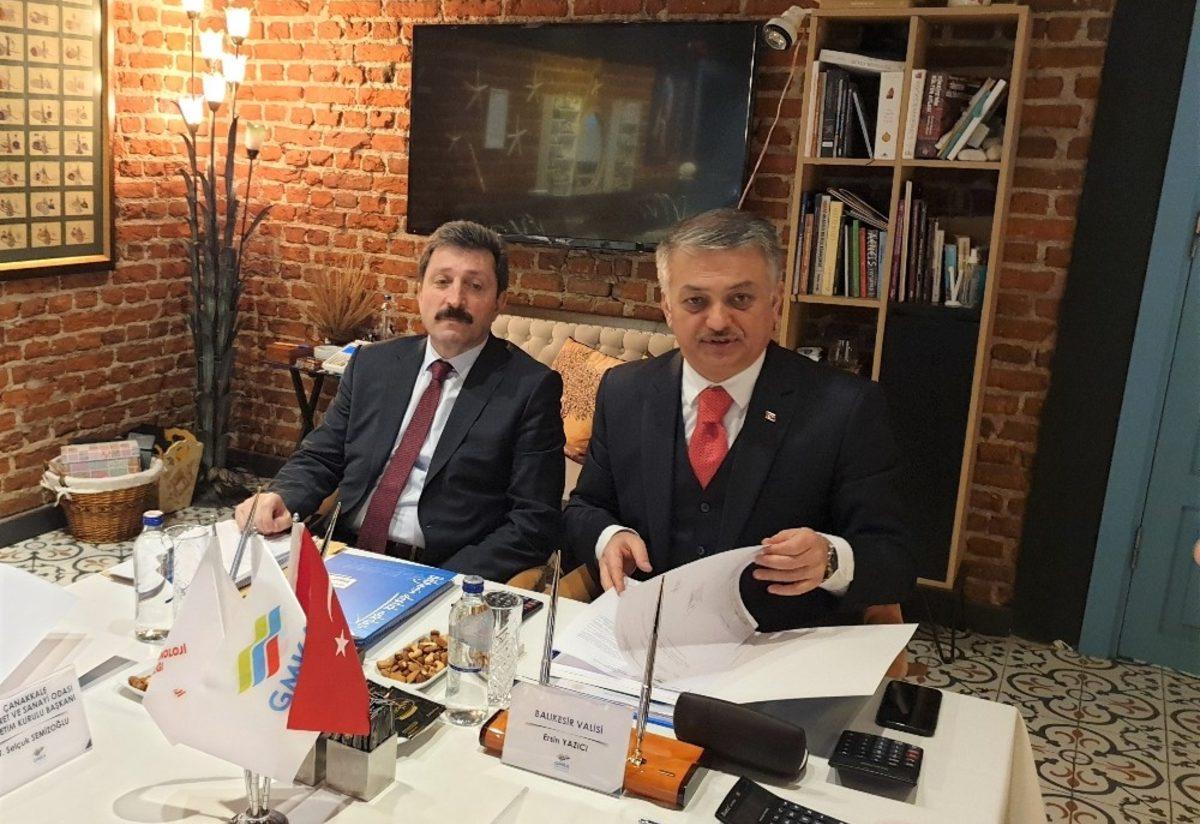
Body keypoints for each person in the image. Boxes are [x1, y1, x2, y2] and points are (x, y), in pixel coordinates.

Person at [563, 208, 915, 630]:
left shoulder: (845, 407)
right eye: (696, 301)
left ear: (775, 304)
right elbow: (586, 507)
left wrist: (830, 559)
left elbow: (894, 559)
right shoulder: (624, 391)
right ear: (668, 308)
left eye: (740, 299)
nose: (718, 321)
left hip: (780, 647)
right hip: (647, 638)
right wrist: (608, 536)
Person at [236, 220, 565, 582]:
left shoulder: (529, 388)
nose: (455, 300)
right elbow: (321, 456)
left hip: (439, 569)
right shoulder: (372, 364)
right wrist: (281, 495)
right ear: (420, 291)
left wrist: (444, 583)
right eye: (442, 282)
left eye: (475, 286)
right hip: (342, 551)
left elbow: (533, 523)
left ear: (500, 301)